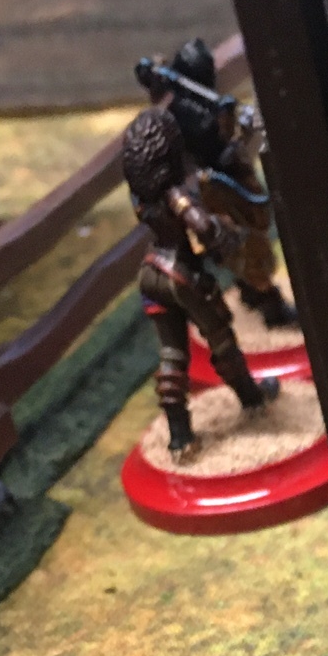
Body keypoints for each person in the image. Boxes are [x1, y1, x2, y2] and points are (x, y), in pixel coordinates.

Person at [119, 107, 273, 456]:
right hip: (182, 274)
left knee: (172, 353)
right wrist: (223, 235)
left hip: (152, 270)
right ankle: (251, 398)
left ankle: (179, 435)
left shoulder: (140, 197)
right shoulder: (174, 194)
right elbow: (201, 225)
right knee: (221, 338)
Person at [139, 39, 298, 328]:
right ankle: (268, 304)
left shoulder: (195, 101)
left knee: (249, 238)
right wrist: (225, 123)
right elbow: (212, 145)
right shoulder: (183, 110)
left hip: (225, 180)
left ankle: (256, 295)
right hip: (215, 187)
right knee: (247, 243)